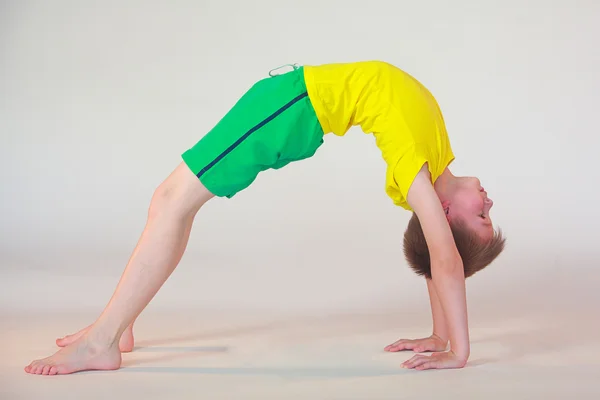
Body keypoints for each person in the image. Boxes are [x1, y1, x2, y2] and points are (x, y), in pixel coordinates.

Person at [24, 60, 505, 375]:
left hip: (289, 110)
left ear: (444, 215)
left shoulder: (415, 168)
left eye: (481, 218)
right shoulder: (436, 160)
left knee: (172, 200)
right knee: (169, 201)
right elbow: (437, 258)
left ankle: (103, 341)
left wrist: (458, 350)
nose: (489, 204)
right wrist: (439, 333)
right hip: (289, 102)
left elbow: (444, 258)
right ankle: (119, 325)